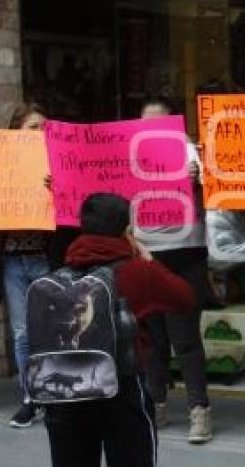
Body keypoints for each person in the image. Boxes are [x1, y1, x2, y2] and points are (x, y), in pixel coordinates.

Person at [43, 193, 195, 467]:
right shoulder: (138, 271)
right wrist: (147, 258)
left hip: (66, 391)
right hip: (122, 390)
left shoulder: (59, 275)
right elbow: (185, 298)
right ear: (127, 230)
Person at [136, 96, 213, 443]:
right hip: (146, 256)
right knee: (152, 339)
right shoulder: (129, 153)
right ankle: (157, 405)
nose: (150, 128)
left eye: (158, 122)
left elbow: (219, 191)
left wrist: (199, 177)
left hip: (185, 255)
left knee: (185, 338)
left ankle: (199, 412)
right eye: (145, 122)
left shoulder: (191, 151)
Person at [0, 102, 52, 428]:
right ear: (17, 130)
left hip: (45, 258)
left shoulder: (56, 163)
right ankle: (29, 398)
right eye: (33, 127)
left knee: (49, 330)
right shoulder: (0, 166)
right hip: (14, 262)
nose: (39, 133)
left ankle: (51, 395)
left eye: (44, 127)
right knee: (22, 333)